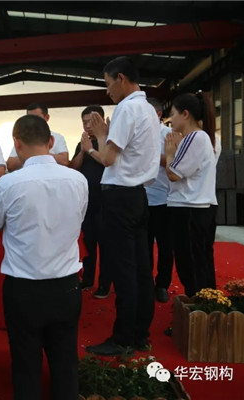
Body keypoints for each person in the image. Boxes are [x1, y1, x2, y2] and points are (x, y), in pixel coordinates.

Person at [0, 114, 87, 399]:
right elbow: (79, 219)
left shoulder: (9, 183)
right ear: (51, 141)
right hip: (66, 285)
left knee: (25, 365)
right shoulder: (77, 180)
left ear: (16, 143)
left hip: (24, 288)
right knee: (65, 364)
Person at [86, 56, 160, 356]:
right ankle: (140, 332)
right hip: (139, 196)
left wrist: (100, 137)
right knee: (141, 268)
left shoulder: (127, 109)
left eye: (108, 84)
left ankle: (123, 337)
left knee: (124, 269)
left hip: (120, 196)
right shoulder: (148, 109)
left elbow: (108, 158)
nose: (107, 91)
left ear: (121, 78)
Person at [165, 92, 218, 297]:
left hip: (189, 208)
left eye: (173, 114)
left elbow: (173, 174)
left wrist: (170, 154)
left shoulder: (194, 137)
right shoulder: (203, 137)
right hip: (197, 207)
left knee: (190, 263)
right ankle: (204, 303)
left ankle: (199, 304)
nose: (171, 120)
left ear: (185, 114)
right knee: (199, 261)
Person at [69, 105, 111, 299]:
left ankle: (104, 284)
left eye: (91, 121)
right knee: (88, 242)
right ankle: (87, 278)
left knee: (106, 244)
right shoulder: (82, 144)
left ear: (101, 120)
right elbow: (73, 167)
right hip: (86, 202)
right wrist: (83, 151)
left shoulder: (109, 140)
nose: (87, 125)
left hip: (105, 201)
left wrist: (91, 149)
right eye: (84, 122)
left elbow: (108, 162)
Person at [145, 98, 174, 303]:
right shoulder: (139, 133)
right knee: (143, 245)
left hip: (164, 198)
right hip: (142, 197)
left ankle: (162, 284)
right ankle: (146, 282)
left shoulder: (168, 134)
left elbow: (173, 163)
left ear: (158, 114)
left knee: (165, 246)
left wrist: (151, 154)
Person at [6, 103, 70, 170]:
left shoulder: (58, 137)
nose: (33, 121)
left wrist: (31, 154)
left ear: (47, 117)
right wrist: (39, 154)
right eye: (29, 118)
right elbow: (10, 164)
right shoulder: (22, 137)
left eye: (37, 117)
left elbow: (64, 161)